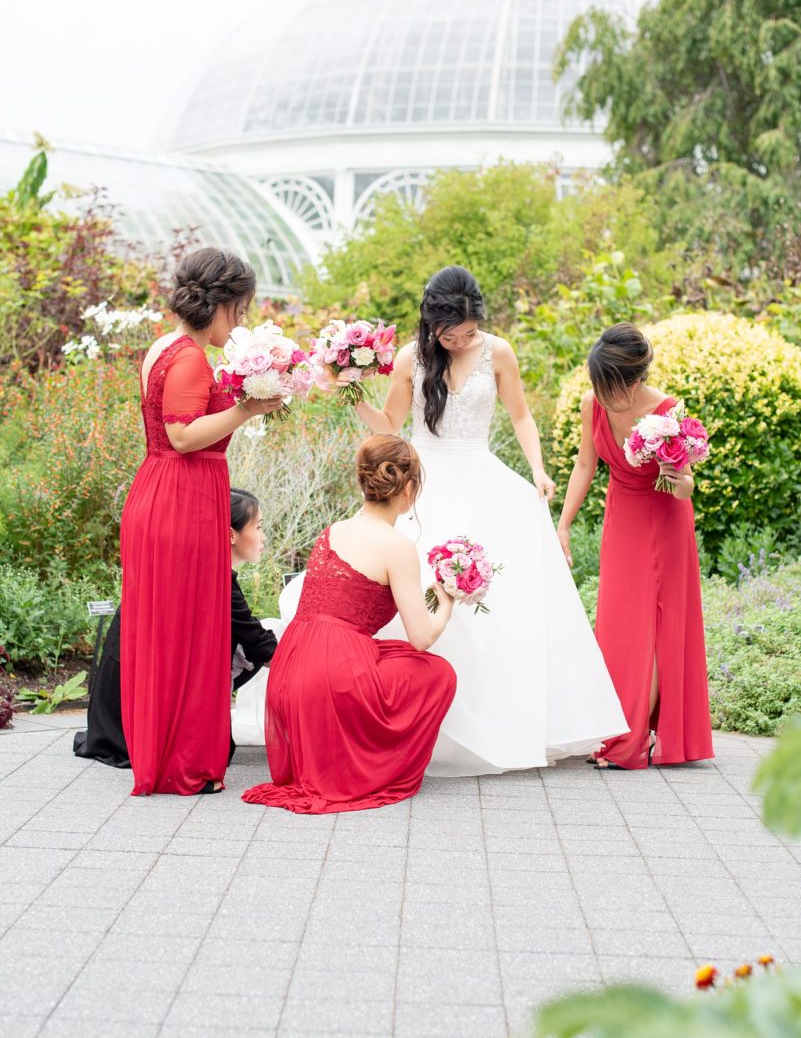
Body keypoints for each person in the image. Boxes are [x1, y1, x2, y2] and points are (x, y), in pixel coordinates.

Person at [290, 265, 625, 776]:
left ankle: (504, 721)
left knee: (505, 599)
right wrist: (353, 390)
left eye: (470, 331)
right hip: (421, 483)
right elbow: (390, 426)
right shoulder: (409, 358)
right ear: (432, 324)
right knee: (421, 586)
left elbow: (520, 416)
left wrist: (537, 469)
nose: (464, 339)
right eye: (453, 333)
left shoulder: (499, 352)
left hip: (484, 478)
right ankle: (420, 721)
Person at [120, 248, 283, 796]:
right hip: (182, 498)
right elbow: (185, 435)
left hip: (159, 490)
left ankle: (162, 754)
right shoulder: (190, 357)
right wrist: (249, 408)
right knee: (188, 633)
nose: (239, 321)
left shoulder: (164, 346)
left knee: (165, 631)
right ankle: (182, 766)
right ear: (220, 303)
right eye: (238, 310)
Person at [242, 435, 457, 814]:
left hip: (290, 671)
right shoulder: (397, 546)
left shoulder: (332, 531)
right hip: (331, 675)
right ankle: (374, 764)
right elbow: (422, 638)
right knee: (437, 672)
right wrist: (447, 602)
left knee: (386, 654)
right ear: (408, 488)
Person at [557, 322, 714, 770]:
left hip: (665, 518)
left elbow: (685, 490)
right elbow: (585, 465)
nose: (603, 393)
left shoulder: (669, 411)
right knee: (621, 621)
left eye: (612, 384)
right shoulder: (593, 403)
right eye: (598, 383)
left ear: (636, 378)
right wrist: (563, 525)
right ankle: (617, 726)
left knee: (659, 621)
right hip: (622, 517)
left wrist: (680, 477)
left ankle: (633, 738)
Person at [74, 489, 277, 769]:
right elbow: (261, 645)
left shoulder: (187, 568)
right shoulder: (213, 580)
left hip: (116, 713)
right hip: (128, 720)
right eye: (259, 527)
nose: (264, 536)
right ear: (231, 534)